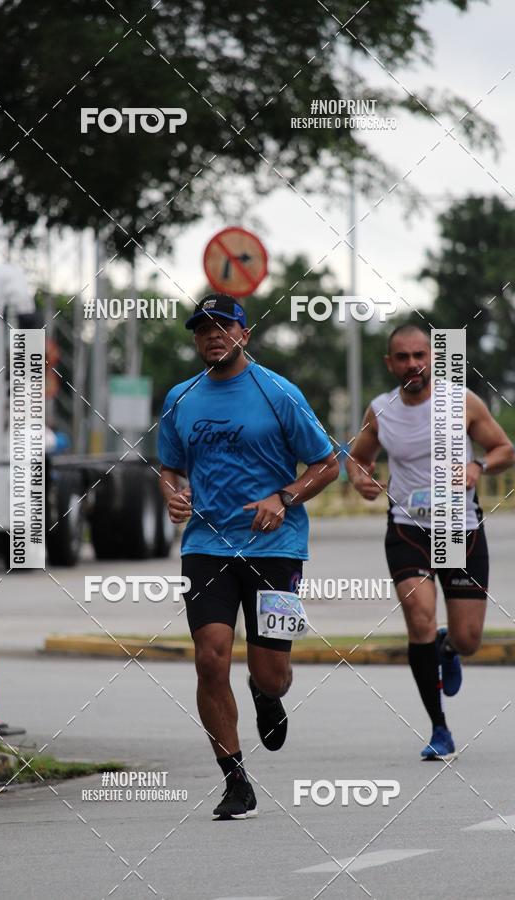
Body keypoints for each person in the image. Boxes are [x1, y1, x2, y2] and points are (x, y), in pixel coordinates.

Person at [157, 293, 339, 819]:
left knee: (272, 673)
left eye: (223, 326)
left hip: (276, 547)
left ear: (244, 334)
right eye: (202, 328)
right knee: (209, 657)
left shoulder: (279, 392)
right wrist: (172, 494)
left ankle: (266, 692)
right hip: (206, 547)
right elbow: (169, 466)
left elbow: (327, 464)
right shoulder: (181, 397)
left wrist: (284, 498)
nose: (212, 335)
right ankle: (235, 781)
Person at [346, 324, 515, 761]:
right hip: (409, 529)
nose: (413, 365)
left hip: (459, 528)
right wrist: (361, 480)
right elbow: (358, 458)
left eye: (420, 355)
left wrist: (478, 466)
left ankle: (448, 647)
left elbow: (505, 450)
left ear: (433, 359)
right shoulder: (380, 410)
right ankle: (439, 728)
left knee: (469, 639)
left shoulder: (462, 401)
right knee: (419, 619)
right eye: (403, 357)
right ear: (390, 364)